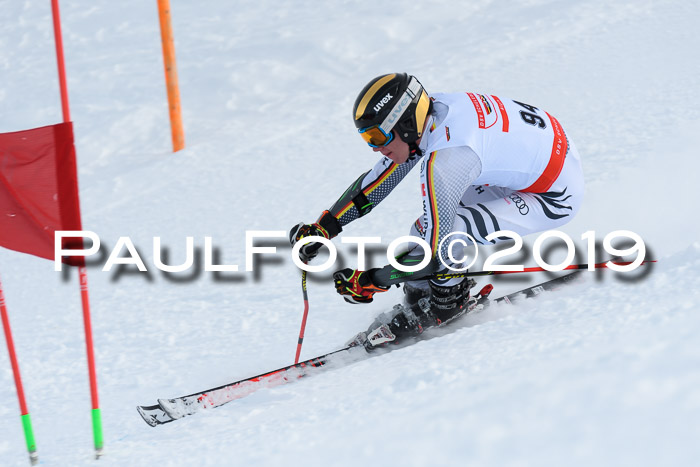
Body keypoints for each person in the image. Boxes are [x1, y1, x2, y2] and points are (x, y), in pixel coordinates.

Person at [290, 72, 584, 349]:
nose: (375, 148)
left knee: (441, 235)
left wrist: (372, 280)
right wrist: (325, 227)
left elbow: (435, 250)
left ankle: (446, 305)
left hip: (553, 195)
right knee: (433, 227)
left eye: (378, 137)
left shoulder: (447, 160)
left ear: (403, 124)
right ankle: (424, 298)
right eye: (368, 139)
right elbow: (379, 181)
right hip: (537, 159)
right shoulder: (432, 112)